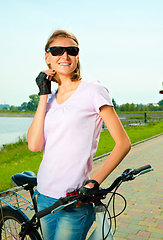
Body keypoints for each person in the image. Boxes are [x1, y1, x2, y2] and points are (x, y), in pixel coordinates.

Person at [27, 30, 131, 240]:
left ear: (77, 56)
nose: (65, 56)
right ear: (47, 57)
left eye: (71, 50)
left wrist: (93, 182)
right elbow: (34, 145)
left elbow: (123, 143)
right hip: (44, 194)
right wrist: (43, 95)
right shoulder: (48, 100)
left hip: (75, 200)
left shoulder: (93, 90)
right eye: (57, 50)